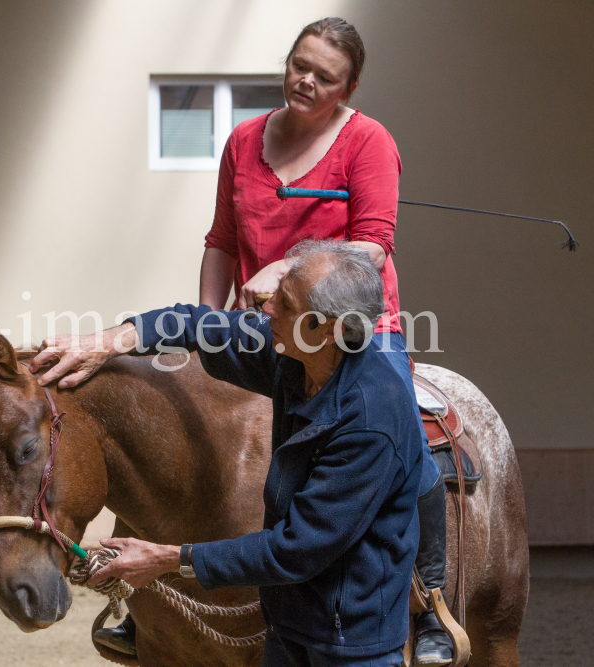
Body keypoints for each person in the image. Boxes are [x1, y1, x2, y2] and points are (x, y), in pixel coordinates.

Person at [30, 241, 423, 667]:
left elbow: (296, 549)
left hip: (349, 645)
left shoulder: (371, 417)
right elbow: (196, 324)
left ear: (328, 328)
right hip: (288, 626)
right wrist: (105, 342)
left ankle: (433, 591)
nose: (267, 310)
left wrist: (165, 559)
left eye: (285, 304)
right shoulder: (295, 355)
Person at [196, 17, 450, 666]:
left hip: (355, 328)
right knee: (178, 422)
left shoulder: (369, 142)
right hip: (265, 322)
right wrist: (206, 321)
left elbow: (372, 244)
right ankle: (151, 607)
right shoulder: (244, 141)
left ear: (350, 86)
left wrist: (292, 266)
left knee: (413, 448)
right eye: (297, 64)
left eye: (324, 75)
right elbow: (222, 240)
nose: (304, 80)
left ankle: (430, 600)